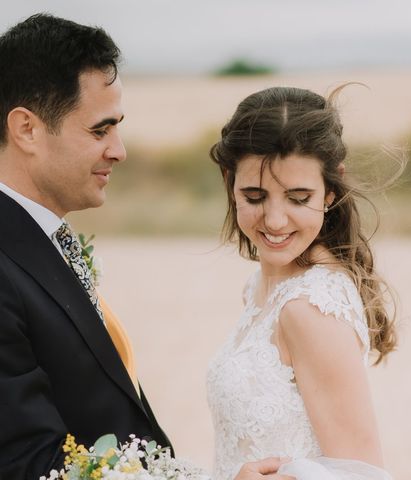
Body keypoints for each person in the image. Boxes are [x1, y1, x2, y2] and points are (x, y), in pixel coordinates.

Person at [0, 14, 291, 480]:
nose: (119, 150)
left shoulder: (40, 237)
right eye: (100, 130)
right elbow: (28, 464)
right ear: (27, 129)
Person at [208, 86, 397, 480]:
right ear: (230, 182)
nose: (275, 221)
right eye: (255, 196)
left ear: (331, 189)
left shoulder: (307, 308)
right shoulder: (258, 287)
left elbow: (365, 474)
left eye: (298, 197)